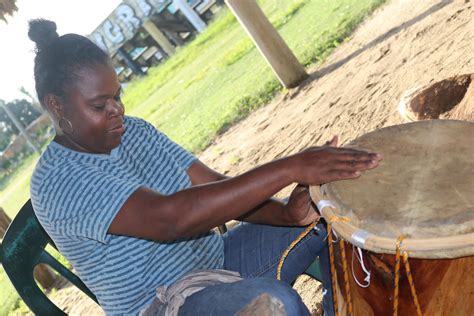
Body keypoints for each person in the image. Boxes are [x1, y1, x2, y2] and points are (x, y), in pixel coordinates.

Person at [28, 19, 381, 316]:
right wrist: (292, 167)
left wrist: (288, 215)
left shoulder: (134, 131)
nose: (116, 109)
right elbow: (169, 219)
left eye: (117, 96)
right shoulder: (58, 181)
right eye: (99, 104)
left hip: (218, 262)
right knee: (278, 305)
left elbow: (213, 185)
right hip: (163, 305)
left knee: (335, 218)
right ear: (56, 106)